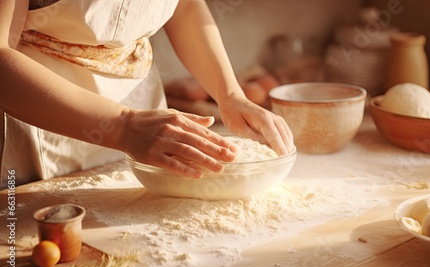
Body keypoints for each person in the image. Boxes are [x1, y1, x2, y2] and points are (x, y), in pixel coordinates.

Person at [0, 0, 294, 188]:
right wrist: (123, 126)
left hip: (142, 103)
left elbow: (184, 5)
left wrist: (230, 94)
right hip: (46, 108)